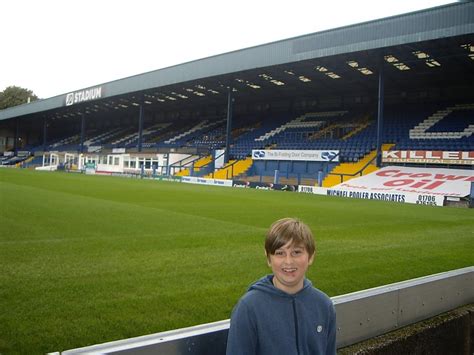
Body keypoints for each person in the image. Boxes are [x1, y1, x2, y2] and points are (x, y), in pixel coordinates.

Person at [226, 217, 336, 355]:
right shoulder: (249, 308)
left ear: (311, 256)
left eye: (296, 252)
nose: (288, 261)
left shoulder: (324, 305)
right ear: (268, 258)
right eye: (280, 253)